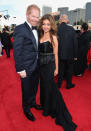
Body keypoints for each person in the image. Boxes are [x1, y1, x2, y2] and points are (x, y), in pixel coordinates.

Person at [38, 14, 77, 131]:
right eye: (44, 24)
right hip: (41, 66)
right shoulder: (39, 35)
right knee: (44, 86)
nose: (45, 26)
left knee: (51, 88)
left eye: (48, 24)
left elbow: (56, 55)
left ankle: (53, 108)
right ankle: (46, 106)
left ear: (52, 25)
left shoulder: (53, 37)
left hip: (50, 65)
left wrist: (57, 69)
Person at [13, 4, 42, 121]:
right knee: (26, 89)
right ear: (27, 15)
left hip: (36, 65)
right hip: (25, 67)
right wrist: (20, 69)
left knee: (35, 87)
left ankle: (32, 102)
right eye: (33, 16)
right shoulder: (20, 29)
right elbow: (17, 50)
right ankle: (26, 108)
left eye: (37, 17)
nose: (35, 19)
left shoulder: (38, 29)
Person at [57, 14, 78, 89]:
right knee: (69, 70)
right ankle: (68, 85)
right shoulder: (71, 29)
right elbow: (75, 43)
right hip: (70, 54)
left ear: (60, 20)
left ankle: (59, 84)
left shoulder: (57, 29)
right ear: (66, 20)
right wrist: (75, 55)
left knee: (60, 70)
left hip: (60, 54)